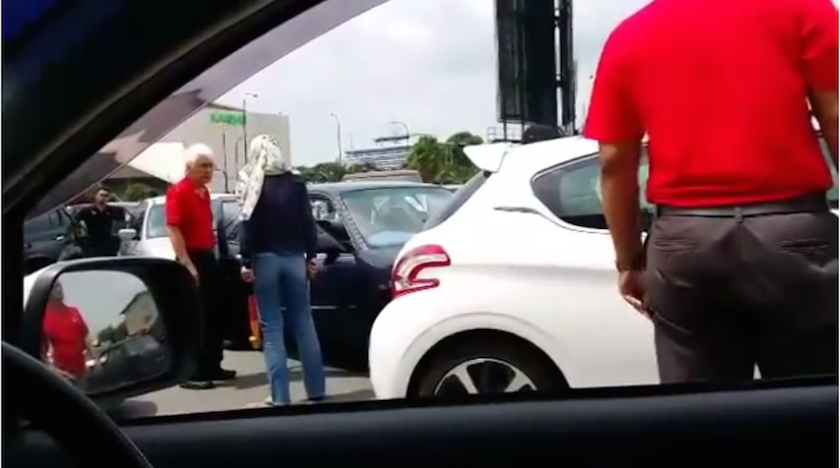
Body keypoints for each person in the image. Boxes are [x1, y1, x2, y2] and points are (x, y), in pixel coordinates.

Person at [584, 0, 838, 384]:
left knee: (700, 416)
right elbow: (836, 118)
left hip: (686, 242)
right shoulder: (805, 11)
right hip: (794, 234)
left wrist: (629, 262)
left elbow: (615, 163)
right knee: (813, 404)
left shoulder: (630, 34)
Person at [237, 134, 326, 406]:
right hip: (294, 259)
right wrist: (311, 256)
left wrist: (245, 261)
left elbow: (246, 223)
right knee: (304, 323)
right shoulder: (296, 181)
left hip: (265, 260)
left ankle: (280, 397)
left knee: (272, 329)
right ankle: (316, 391)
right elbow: (307, 222)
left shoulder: (253, 180)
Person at [166, 143, 236, 390]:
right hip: (190, 257)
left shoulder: (203, 193)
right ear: (189, 168)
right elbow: (174, 228)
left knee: (215, 314)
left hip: (207, 256)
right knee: (196, 317)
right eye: (202, 166)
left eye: (210, 166)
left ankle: (212, 365)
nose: (208, 171)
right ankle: (192, 372)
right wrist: (186, 263)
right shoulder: (179, 191)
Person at [42, 281, 98, 387]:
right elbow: (41, 351)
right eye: (53, 287)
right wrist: (52, 370)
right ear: (46, 292)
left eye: (59, 286)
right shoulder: (43, 317)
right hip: (60, 375)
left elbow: (85, 337)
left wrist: (95, 359)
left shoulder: (73, 311)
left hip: (81, 372)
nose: (58, 290)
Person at [73, 185, 123, 257]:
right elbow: (75, 222)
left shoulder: (114, 211)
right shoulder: (87, 211)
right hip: (92, 242)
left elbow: (121, 223)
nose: (103, 197)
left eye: (106, 196)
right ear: (96, 196)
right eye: (101, 195)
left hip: (108, 243)